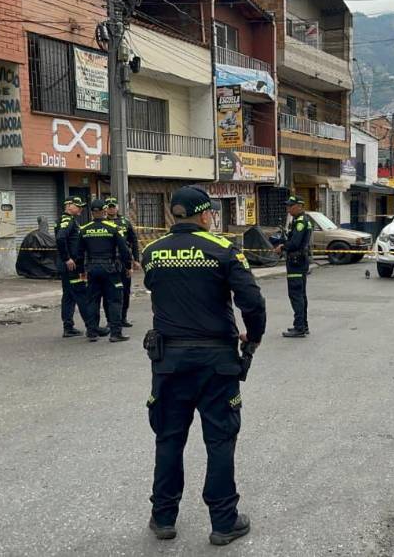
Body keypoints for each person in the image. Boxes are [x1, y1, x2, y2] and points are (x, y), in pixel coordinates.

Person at [142, 185, 265, 546]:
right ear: (204, 214)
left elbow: (155, 287)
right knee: (220, 440)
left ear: (174, 213)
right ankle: (224, 522)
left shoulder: (152, 252)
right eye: (211, 212)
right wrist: (253, 336)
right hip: (216, 362)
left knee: (169, 438)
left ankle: (163, 517)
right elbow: (252, 301)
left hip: (169, 361)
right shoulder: (224, 249)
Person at [78, 199, 132, 342]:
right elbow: (124, 250)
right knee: (114, 300)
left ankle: (92, 332)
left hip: (91, 268)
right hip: (110, 268)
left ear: (91, 212)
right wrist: (128, 267)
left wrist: (81, 270)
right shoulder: (113, 228)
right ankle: (115, 333)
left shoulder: (84, 229)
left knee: (92, 300)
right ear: (104, 211)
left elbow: (79, 253)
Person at [274, 196, 312, 337]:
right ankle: (303, 325)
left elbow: (295, 243)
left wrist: (282, 247)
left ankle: (299, 327)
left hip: (296, 262)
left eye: (291, 206)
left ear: (299, 206)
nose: (288, 209)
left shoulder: (301, 222)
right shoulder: (299, 220)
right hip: (300, 261)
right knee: (301, 295)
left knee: (296, 295)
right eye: (288, 206)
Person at [55, 196, 91, 337]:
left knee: (69, 296)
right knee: (81, 294)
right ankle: (91, 326)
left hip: (68, 266)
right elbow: (60, 238)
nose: (81, 208)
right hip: (71, 267)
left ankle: (68, 327)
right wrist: (67, 258)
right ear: (69, 205)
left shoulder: (70, 220)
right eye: (78, 205)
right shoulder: (67, 220)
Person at [104, 196, 141, 327]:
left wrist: (136, 259)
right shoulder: (102, 223)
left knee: (125, 291)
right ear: (105, 209)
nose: (111, 209)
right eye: (109, 207)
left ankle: (123, 318)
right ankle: (110, 320)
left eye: (113, 207)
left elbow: (134, 241)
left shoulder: (125, 222)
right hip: (108, 261)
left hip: (124, 260)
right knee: (109, 292)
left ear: (117, 207)